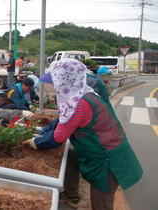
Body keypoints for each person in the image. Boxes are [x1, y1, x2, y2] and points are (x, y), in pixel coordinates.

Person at [23, 58, 143, 210]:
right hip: (103, 151)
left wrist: (36, 142)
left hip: (107, 160)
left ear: (66, 81)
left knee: (101, 204)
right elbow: (62, 121)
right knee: (71, 156)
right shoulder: (82, 94)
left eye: (56, 81)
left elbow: (58, 137)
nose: (54, 86)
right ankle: (70, 195)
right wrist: (44, 132)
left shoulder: (80, 105)